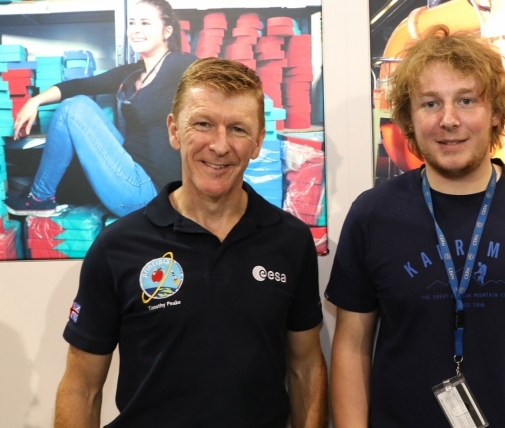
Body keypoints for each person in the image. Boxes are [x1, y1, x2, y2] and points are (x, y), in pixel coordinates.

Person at [326, 25, 505, 428]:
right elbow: (351, 345)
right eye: (429, 104)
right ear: (409, 117)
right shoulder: (373, 213)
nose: (448, 120)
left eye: (466, 100)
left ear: (495, 112)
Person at [54, 58, 328, 427]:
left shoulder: (289, 241)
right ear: (174, 130)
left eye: (238, 129)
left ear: (258, 142)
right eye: (203, 124)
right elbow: (81, 386)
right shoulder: (117, 246)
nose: (219, 145)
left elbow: (305, 368)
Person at [5, 0, 196, 218]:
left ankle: (39, 198)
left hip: (148, 194)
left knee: (73, 109)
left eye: (145, 23)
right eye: (132, 23)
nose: (136, 30)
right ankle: (41, 197)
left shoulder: (181, 65)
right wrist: (35, 101)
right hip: (129, 172)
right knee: (77, 102)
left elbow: (223, 84)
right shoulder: (132, 72)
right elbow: (81, 85)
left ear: (167, 31)